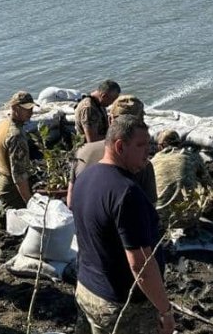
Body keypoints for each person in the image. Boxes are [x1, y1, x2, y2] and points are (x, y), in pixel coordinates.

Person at [71, 115, 175, 334]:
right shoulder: (126, 193)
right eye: (141, 146)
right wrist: (165, 310)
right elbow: (141, 266)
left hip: (87, 290)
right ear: (119, 146)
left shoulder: (85, 177)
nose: (148, 152)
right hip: (121, 306)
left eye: (149, 145)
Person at [67, 95, 156, 208]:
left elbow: (70, 203)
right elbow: (151, 212)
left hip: (81, 223)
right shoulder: (142, 165)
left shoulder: (81, 151)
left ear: (110, 119)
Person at [0, 91, 37, 228]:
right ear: (16, 108)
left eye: (32, 108)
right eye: (27, 109)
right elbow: (19, 175)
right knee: (16, 226)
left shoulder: (3, 124)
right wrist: (29, 201)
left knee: (5, 219)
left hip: (1, 180)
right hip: (11, 188)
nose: (31, 112)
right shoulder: (16, 136)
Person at [151, 129, 212, 230]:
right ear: (179, 144)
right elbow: (208, 184)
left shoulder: (153, 162)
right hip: (188, 219)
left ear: (161, 146)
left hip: (159, 220)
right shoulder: (192, 156)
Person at [74, 79, 121, 143]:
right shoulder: (89, 108)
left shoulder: (99, 103)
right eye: (112, 99)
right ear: (103, 96)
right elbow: (92, 140)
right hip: (89, 148)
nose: (112, 103)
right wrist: (116, 137)